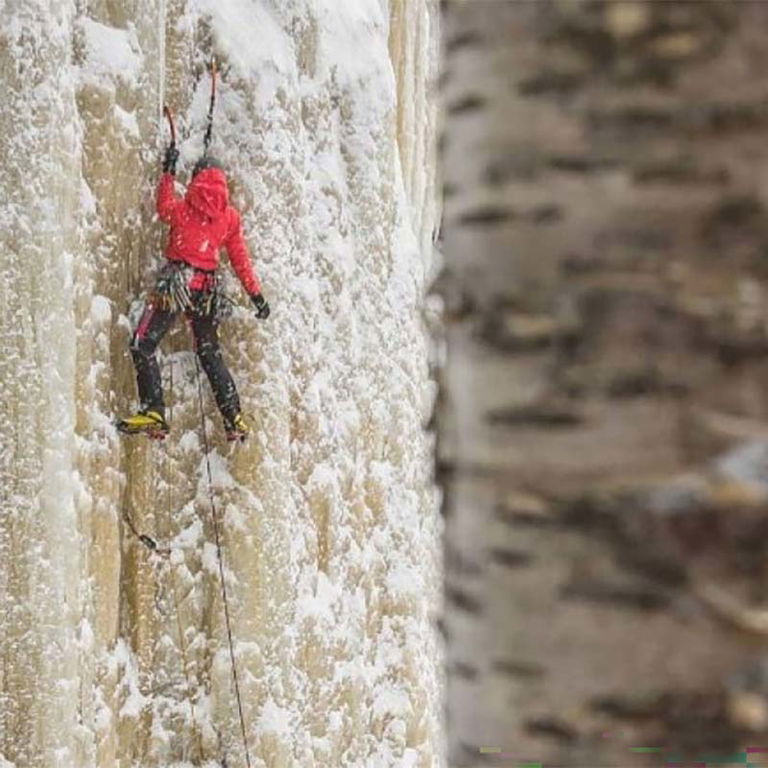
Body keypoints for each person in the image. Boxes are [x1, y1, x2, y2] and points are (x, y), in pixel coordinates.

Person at [117, 145, 270, 442]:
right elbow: (240, 260)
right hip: (207, 290)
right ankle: (233, 416)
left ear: (197, 177)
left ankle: (154, 410)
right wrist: (257, 296)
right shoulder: (229, 217)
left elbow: (163, 209)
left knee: (143, 343)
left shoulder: (186, 205)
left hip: (178, 281)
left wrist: (169, 172)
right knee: (209, 352)